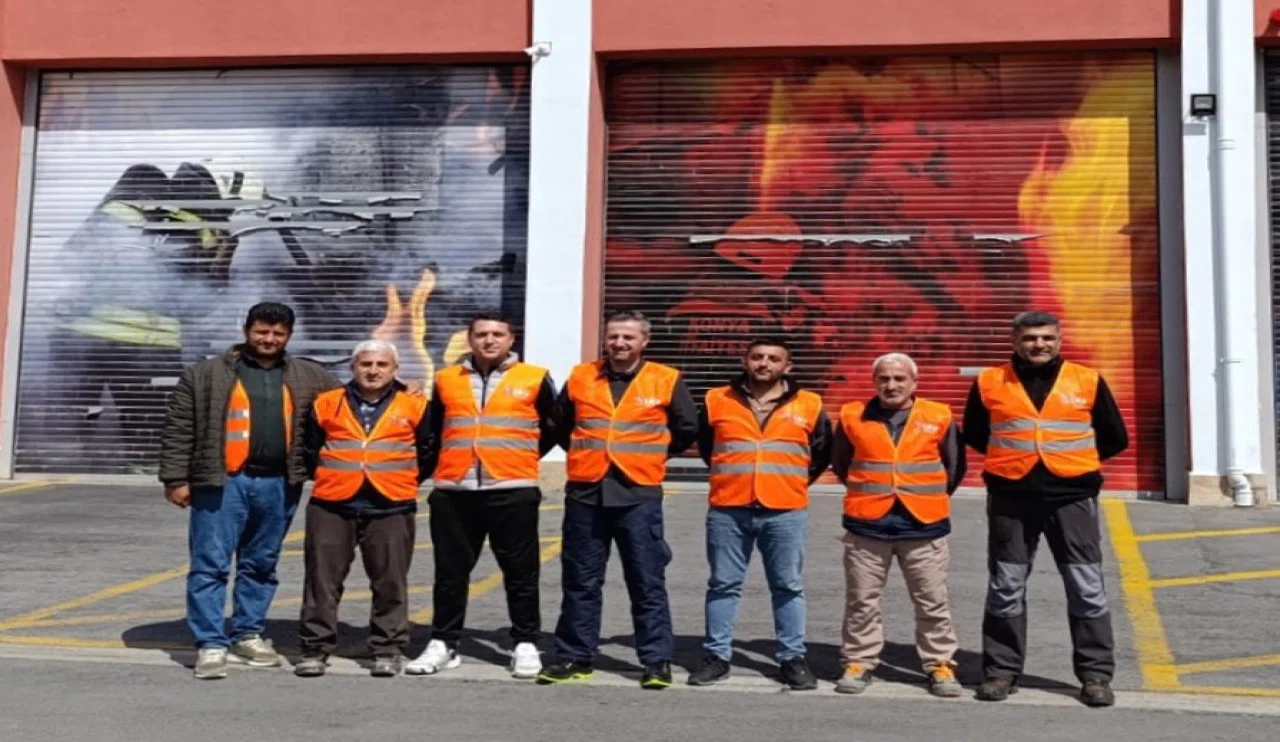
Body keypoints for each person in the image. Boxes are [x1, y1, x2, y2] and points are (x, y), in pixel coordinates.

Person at [158, 302, 340, 680]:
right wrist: (175, 479)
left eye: (277, 333)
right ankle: (210, 643)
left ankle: (248, 634)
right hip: (222, 482)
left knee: (261, 564)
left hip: (279, 484)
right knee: (210, 564)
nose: (268, 339)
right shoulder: (205, 374)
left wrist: (405, 391)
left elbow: (347, 406)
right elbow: (179, 428)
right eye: (261, 331)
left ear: (289, 335)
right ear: (246, 330)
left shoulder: (311, 376)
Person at [962, 311, 1128, 708]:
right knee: (1006, 586)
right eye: (1030, 338)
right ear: (1015, 341)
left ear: (1059, 339)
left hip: (1071, 498)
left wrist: (1071, 466)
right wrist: (1018, 462)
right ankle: (1001, 672)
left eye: (1047, 338)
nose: (1039, 344)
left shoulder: (1087, 380)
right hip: (1011, 498)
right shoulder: (989, 381)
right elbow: (975, 434)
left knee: (1086, 586)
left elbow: (1114, 437)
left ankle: (1095, 676)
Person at [537, 310, 698, 689]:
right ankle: (575, 656)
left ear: (645, 341)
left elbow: (687, 427)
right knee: (580, 580)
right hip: (586, 492)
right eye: (613, 337)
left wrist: (648, 456)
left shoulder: (666, 378)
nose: (620, 343)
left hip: (638, 493)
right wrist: (588, 454)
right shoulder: (582, 376)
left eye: (628, 337)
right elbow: (559, 424)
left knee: (646, 580)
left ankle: (656, 661)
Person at [405, 311, 558, 679]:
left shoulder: (534, 377)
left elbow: (553, 427)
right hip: (455, 491)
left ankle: (525, 642)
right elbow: (433, 432)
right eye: (482, 334)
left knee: (521, 573)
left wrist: (519, 457)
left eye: (498, 334)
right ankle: (444, 642)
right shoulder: (446, 379)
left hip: (513, 490)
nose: (490, 340)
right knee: (450, 574)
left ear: (511, 340)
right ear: (470, 339)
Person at [687, 337, 831, 690]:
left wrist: (788, 481)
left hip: (785, 509)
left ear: (787, 366)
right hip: (729, 507)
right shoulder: (716, 399)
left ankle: (792, 658)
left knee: (788, 586)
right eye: (757, 357)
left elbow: (821, 453)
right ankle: (717, 657)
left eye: (773, 358)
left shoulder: (810, 403)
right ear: (745, 361)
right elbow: (707, 448)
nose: (764, 363)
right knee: (723, 585)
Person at [293, 340, 431, 678]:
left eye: (382, 364)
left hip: (391, 503)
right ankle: (315, 648)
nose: (373, 371)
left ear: (395, 369)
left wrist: (402, 479)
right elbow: (310, 449)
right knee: (322, 581)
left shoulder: (416, 404)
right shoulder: (327, 403)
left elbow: (429, 450)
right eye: (365, 364)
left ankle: (387, 648)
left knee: (390, 582)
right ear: (353, 367)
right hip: (332, 503)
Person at [831, 352, 966, 698]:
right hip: (867, 525)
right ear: (874, 382)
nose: (891, 385)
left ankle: (940, 664)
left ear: (914, 383)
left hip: (923, 525)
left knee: (932, 601)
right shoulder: (852, 416)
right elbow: (842, 463)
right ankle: (859, 661)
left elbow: (954, 466)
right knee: (862, 601)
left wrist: (924, 496)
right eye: (884, 379)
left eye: (899, 379)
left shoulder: (939, 416)